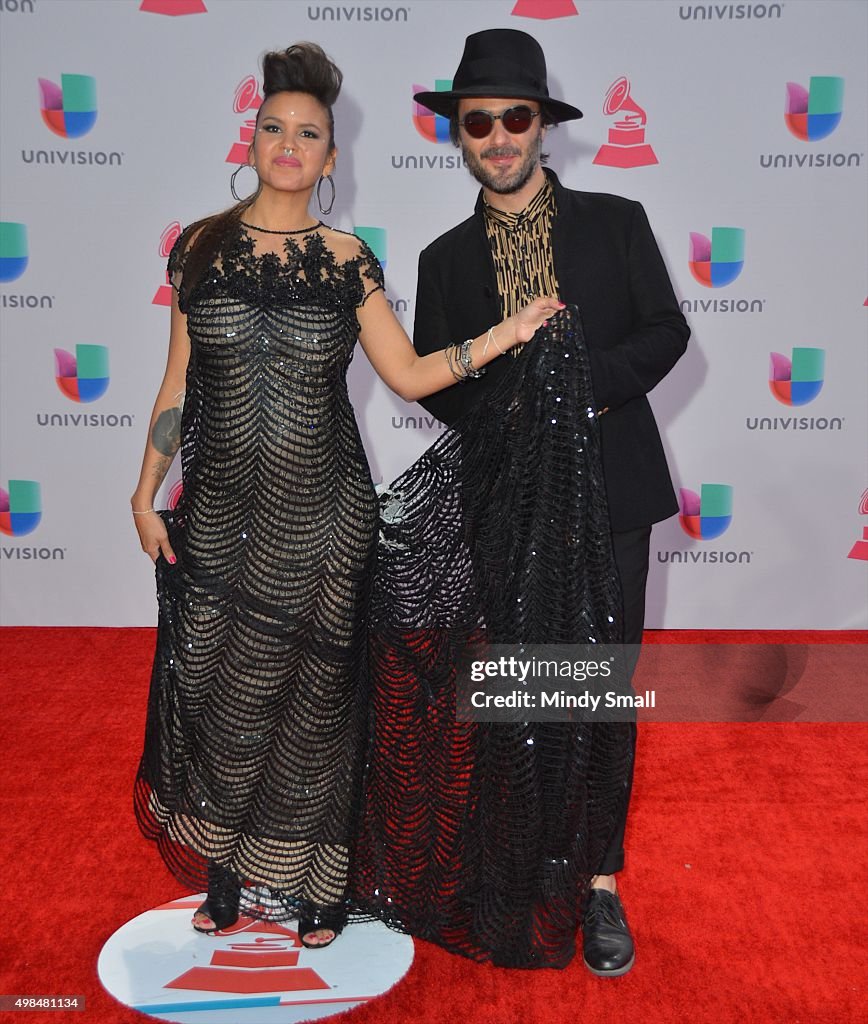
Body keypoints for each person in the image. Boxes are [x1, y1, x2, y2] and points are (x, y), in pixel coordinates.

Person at [131, 41, 560, 950]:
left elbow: (406, 374)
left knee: (321, 708)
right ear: (251, 138)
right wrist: (143, 493)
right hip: (214, 520)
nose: (289, 143)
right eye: (274, 126)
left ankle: (324, 887)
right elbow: (176, 387)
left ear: (332, 159)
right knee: (217, 697)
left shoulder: (345, 259)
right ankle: (227, 873)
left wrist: (505, 333)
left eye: (310, 134)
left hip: (327, 523)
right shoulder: (199, 248)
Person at [407, 29, 690, 975]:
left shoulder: (617, 221)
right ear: (459, 133)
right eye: (477, 120)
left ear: (542, 126)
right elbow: (438, 380)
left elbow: (665, 333)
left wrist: (580, 392)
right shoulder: (444, 259)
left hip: (612, 488)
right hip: (504, 499)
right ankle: (523, 864)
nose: (496, 135)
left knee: (600, 689)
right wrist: (519, 417)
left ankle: (600, 882)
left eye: (513, 118)